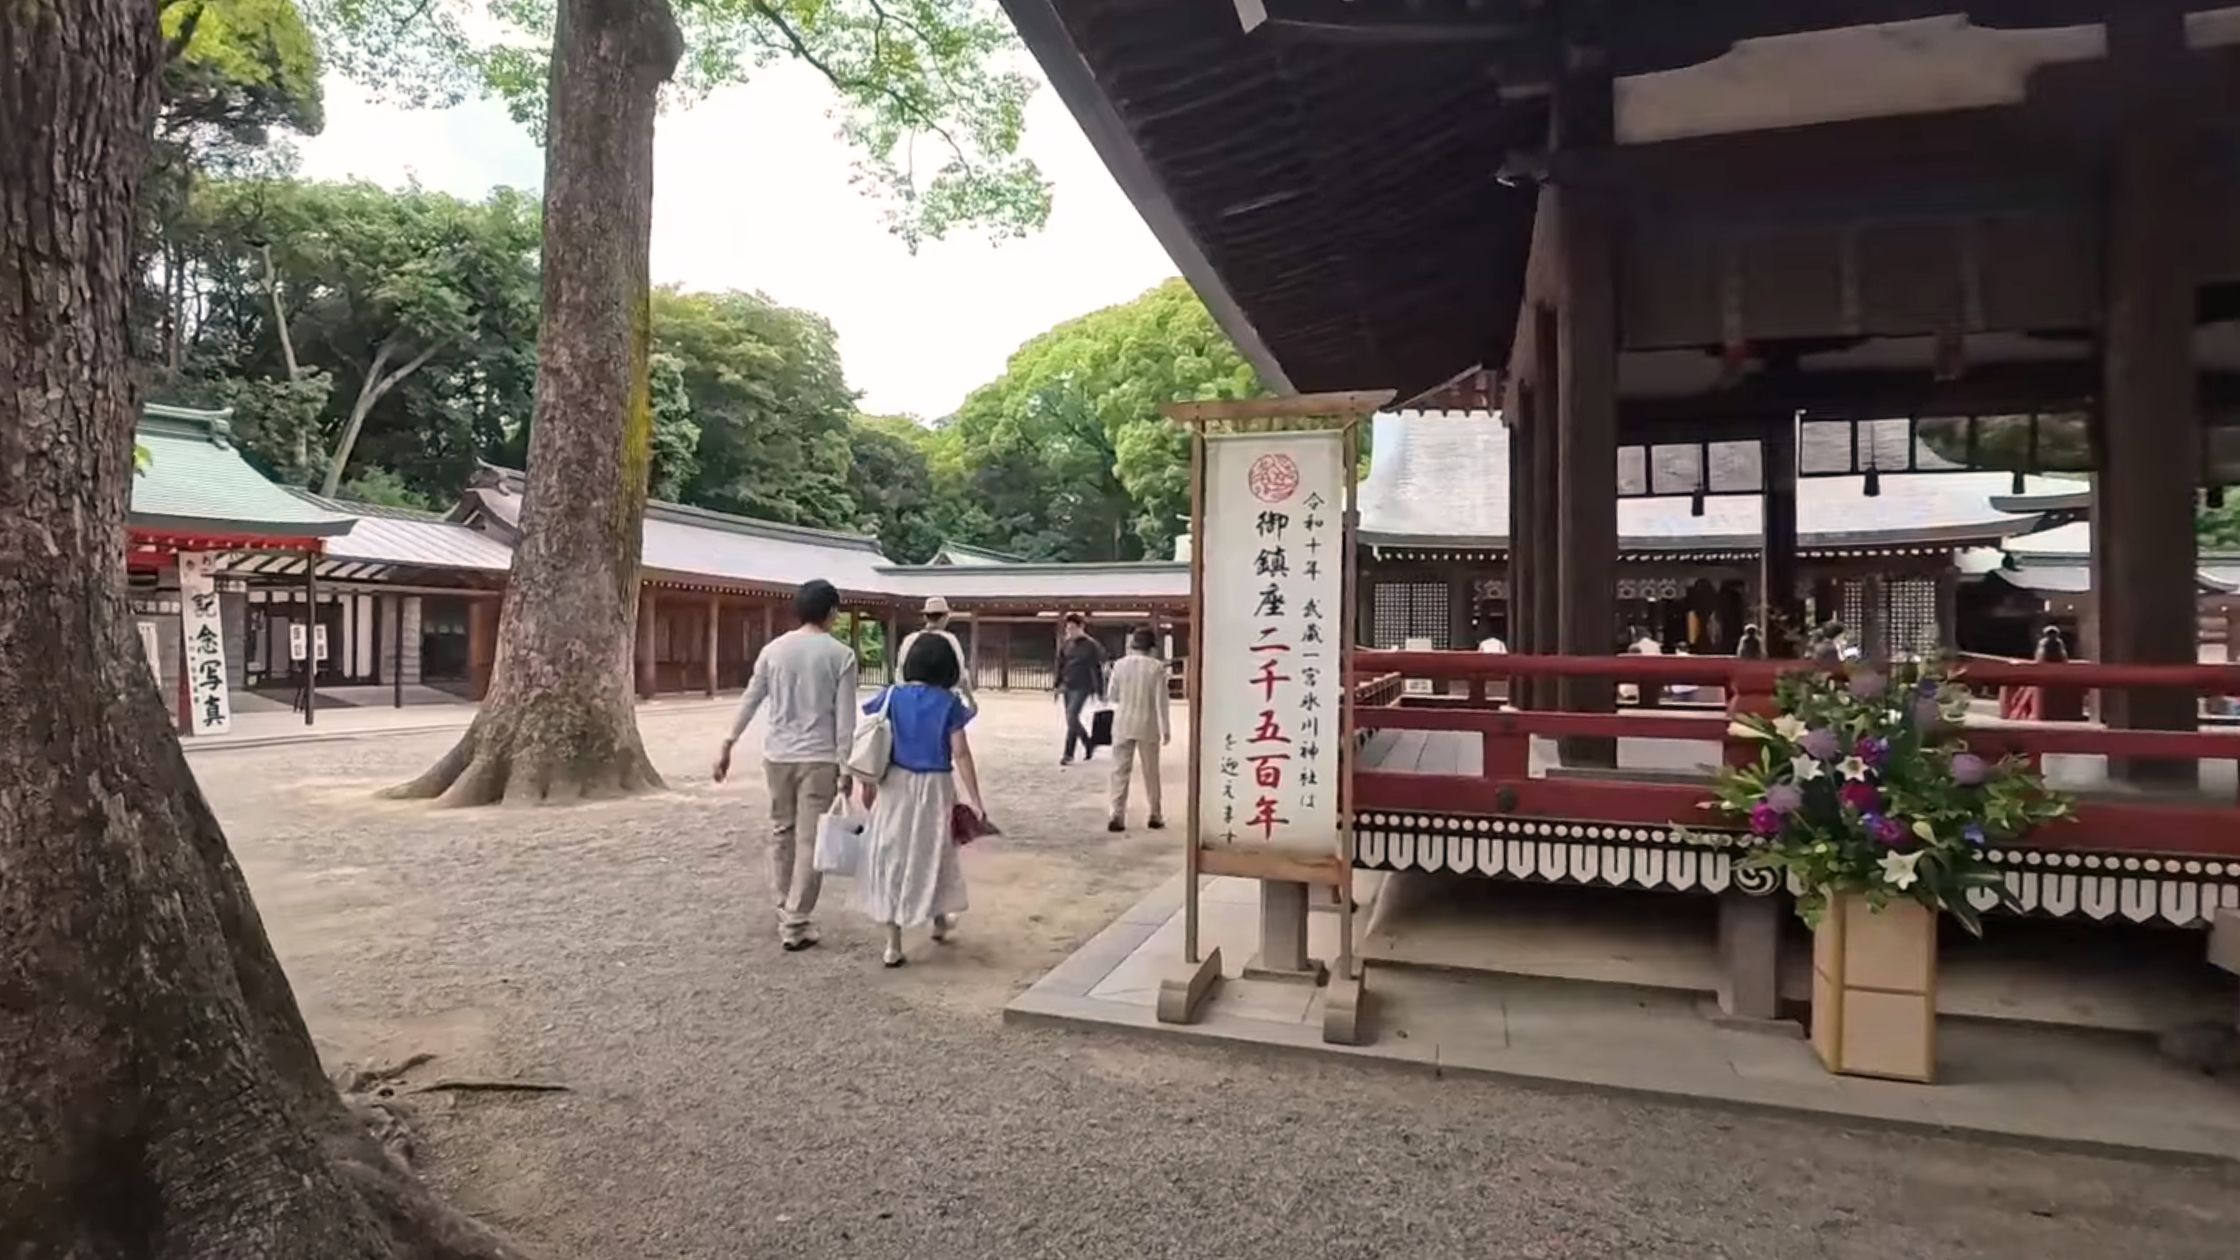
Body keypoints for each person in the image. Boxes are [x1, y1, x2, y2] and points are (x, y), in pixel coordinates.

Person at [714, 579, 858, 952]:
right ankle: (795, 920)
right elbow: (845, 720)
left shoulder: (773, 651)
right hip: (820, 757)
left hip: (777, 755)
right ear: (830, 612)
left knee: (783, 831)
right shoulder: (840, 655)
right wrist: (846, 766)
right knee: (811, 840)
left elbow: (751, 698)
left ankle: (786, 908)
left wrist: (729, 741)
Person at [856, 633, 985, 967]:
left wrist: (866, 784)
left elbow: (871, 739)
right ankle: (939, 919)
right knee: (935, 854)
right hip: (935, 787)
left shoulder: (890, 696)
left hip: (895, 783)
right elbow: (961, 752)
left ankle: (893, 943)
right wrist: (976, 799)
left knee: (893, 855)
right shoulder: (948, 703)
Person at [1105, 627, 1171, 833]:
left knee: (1119, 771)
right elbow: (1162, 701)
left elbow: (1112, 696)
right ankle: (1155, 814)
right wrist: (1165, 728)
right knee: (1151, 772)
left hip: (1123, 722)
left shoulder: (1120, 665)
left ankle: (1117, 814)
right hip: (1148, 724)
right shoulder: (1157, 668)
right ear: (1152, 647)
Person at [898, 594, 975, 711]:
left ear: (925, 617)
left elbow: (900, 675)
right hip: (943, 702)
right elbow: (961, 676)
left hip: (913, 701)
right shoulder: (950, 639)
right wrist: (971, 701)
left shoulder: (909, 640)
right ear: (945, 617)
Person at [1054, 613, 1108, 765]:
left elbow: (1098, 667)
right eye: (1068, 628)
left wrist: (1100, 691)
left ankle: (1068, 754)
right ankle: (1088, 743)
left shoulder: (1091, 645)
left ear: (1081, 627)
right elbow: (1060, 665)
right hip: (1067, 684)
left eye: (1073, 628)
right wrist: (1057, 685)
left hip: (1083, 686)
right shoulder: (1065, 644)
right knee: (1071, 719)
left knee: (1072, 716)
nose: (1070, 631)